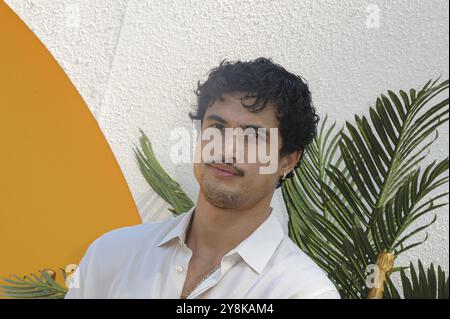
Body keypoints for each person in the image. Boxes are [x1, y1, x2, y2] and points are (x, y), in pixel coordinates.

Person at [65, 57, 340, 299]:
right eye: (217, 127)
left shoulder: (302, 292)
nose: (226, 150)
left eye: (253, 136)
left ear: (288, 160)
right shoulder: (113, 254)